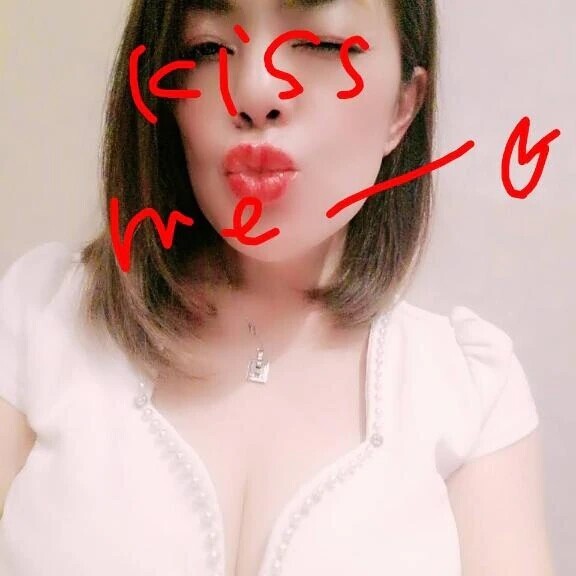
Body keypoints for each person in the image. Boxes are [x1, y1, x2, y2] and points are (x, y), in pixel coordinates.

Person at [0, 0, 556, 575]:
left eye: (321, 45)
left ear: (402, 105)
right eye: (207, 48)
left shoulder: (471, 397)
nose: (255, 89)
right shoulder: (41, 322)